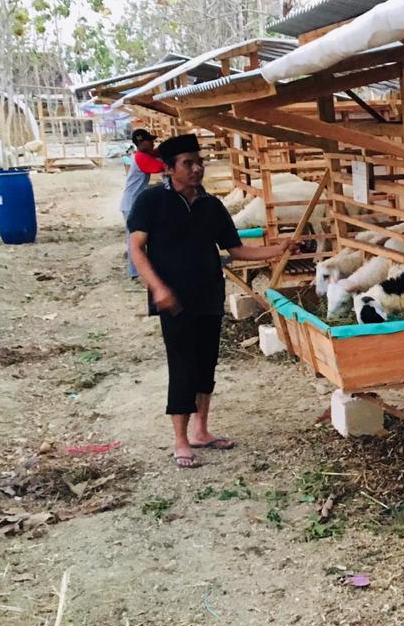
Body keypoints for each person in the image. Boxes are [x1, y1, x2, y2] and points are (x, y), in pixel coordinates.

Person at [126, 134, 298, 469]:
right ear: (169, 168)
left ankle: (201, 431)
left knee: (206, 364)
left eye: (198, 161)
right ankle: (180, 439)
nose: (196, 168)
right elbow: (136, 248)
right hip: (173, 299)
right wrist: (157, 288)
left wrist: (277, 250)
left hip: (208, 295)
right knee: (182, 365)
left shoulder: (211, 205)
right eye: (187, 163)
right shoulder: (151, 202)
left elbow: (236, 250)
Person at [121, 129, 165, 278]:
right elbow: (160, 167)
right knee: (135, 240)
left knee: (138, 238)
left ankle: (136, 270)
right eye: (150, 141)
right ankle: (135, 272)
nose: (153, 143)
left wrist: (164, 149)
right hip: (131, 203)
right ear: (141, 142)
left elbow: (155, 154)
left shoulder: (141, 155)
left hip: (132, 202)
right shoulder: (141, 158)